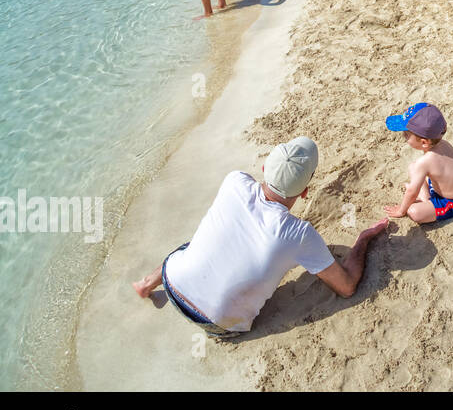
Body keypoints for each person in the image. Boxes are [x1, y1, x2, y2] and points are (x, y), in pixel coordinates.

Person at [132, 138, 388, 335]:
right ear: (305, 192)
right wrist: (363, 239)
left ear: (265, 168)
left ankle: (146, 284)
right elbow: (346, 287)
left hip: (173, 282)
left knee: (194, 245)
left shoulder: (234, 181)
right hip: (216, 324)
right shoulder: (299, 233)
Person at [382, 104, 453, 224]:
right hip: (452, 187)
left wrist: (401, 210)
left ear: (424, 142)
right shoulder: (444, 144)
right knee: (413, 167)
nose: (403, 136)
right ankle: (426, 199)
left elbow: (411, 192)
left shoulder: (425, 162)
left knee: (414, 212)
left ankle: (425, 200)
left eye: (406, 134)